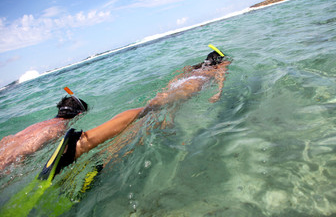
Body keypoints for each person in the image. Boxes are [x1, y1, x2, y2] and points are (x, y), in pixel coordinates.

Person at [48, 50, 230, 177]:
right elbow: (221, 78)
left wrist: (170, 111)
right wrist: (218, 92)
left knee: (143, 123)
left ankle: (102, 161)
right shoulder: (217, 69)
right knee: (144, 112)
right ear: (218, 61)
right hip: (183, 92)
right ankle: (81, 143)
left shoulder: (194, 69)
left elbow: (174, 81)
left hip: (176, 91)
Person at [0, 96, 88, 171]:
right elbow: (23, 151)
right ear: (79, 114)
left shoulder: (40, 124)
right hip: (7, 163)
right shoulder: (58, 129)